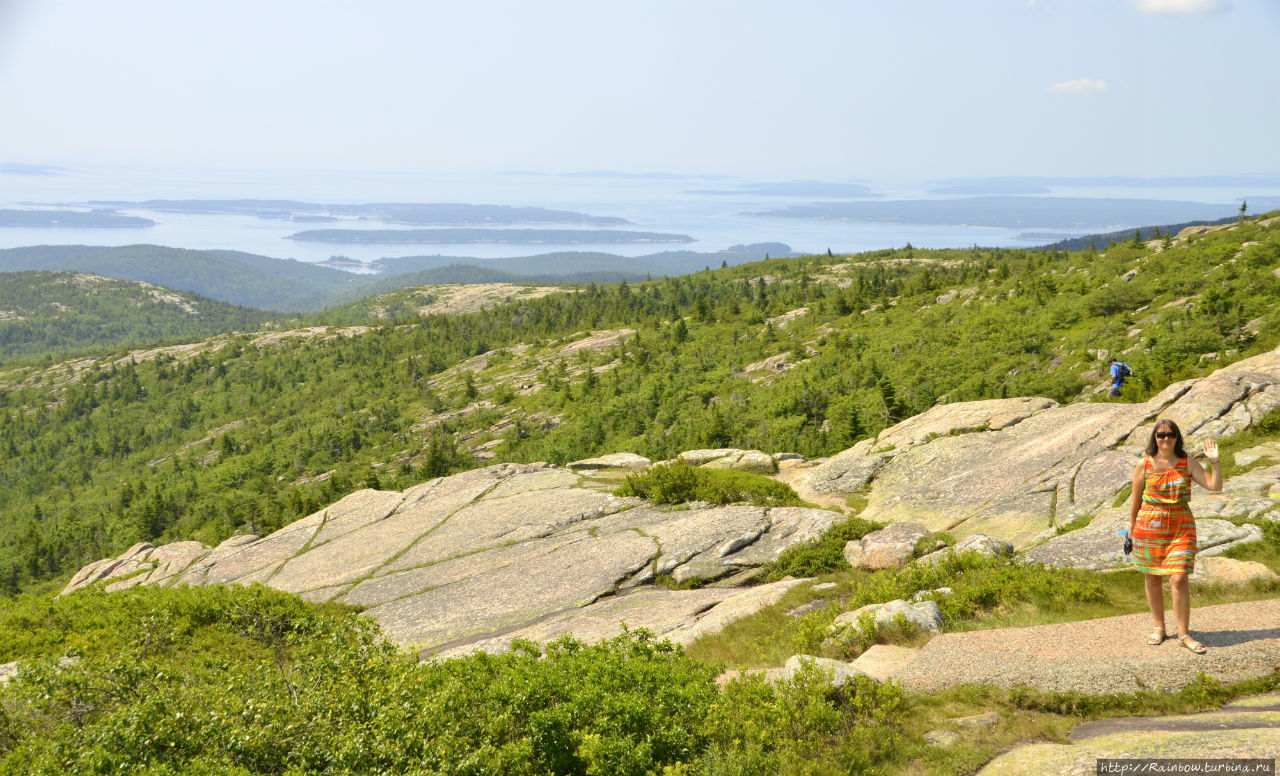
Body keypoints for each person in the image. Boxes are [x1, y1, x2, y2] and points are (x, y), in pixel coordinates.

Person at [1128, 419, 1221, 654]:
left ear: (1177, 437)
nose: (1166, 438)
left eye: (1170, 434)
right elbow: (1136, 499)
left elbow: (1214, 485)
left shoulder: (1187, 462)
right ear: (1154, 439)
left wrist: (1215, 462)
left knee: (1179, 578)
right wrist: (1131, 529)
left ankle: (1184, 633)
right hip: (1149, 525)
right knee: (1153, 578)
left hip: (1181, 525)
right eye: (1161, 435)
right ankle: (1159, 626)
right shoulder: (1144, 464)